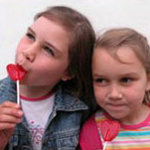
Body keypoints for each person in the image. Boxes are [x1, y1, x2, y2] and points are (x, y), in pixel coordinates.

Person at [0, 6, 96, 150]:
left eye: (48, 50)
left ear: (68, 73)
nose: (28, 52)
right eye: (31, 36)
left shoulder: (83, 106)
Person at [79, 28, 150, 150]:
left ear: (148, 81)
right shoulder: (92, 130)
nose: (114, 94)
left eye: (126, 80)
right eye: (101, 80)